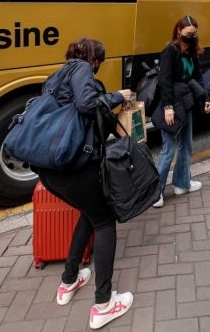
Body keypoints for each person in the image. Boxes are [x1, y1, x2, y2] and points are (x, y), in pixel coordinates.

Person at [35, 37, 134, 330]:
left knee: (89, 215)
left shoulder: (58, 76)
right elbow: (87, 105)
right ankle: (103, 304)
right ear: (94, 60)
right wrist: (118, 95)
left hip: (49, 169)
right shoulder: (80, 70)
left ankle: (68, 281)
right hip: (73, 167)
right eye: (98, 64)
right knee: (104, 220)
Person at [152, 15, 210, 208]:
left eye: (194, 34)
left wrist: (206, 100)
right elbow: (165, 80)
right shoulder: (170, 50)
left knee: (186, 146)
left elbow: (198, 77)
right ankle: (156, 193)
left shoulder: (192, 52)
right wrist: (168, 107)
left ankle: (181, 184)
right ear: (179, 32)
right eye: (188, 34)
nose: (191, 37)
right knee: (168, 149)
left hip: (186, 104)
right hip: (171, 106)